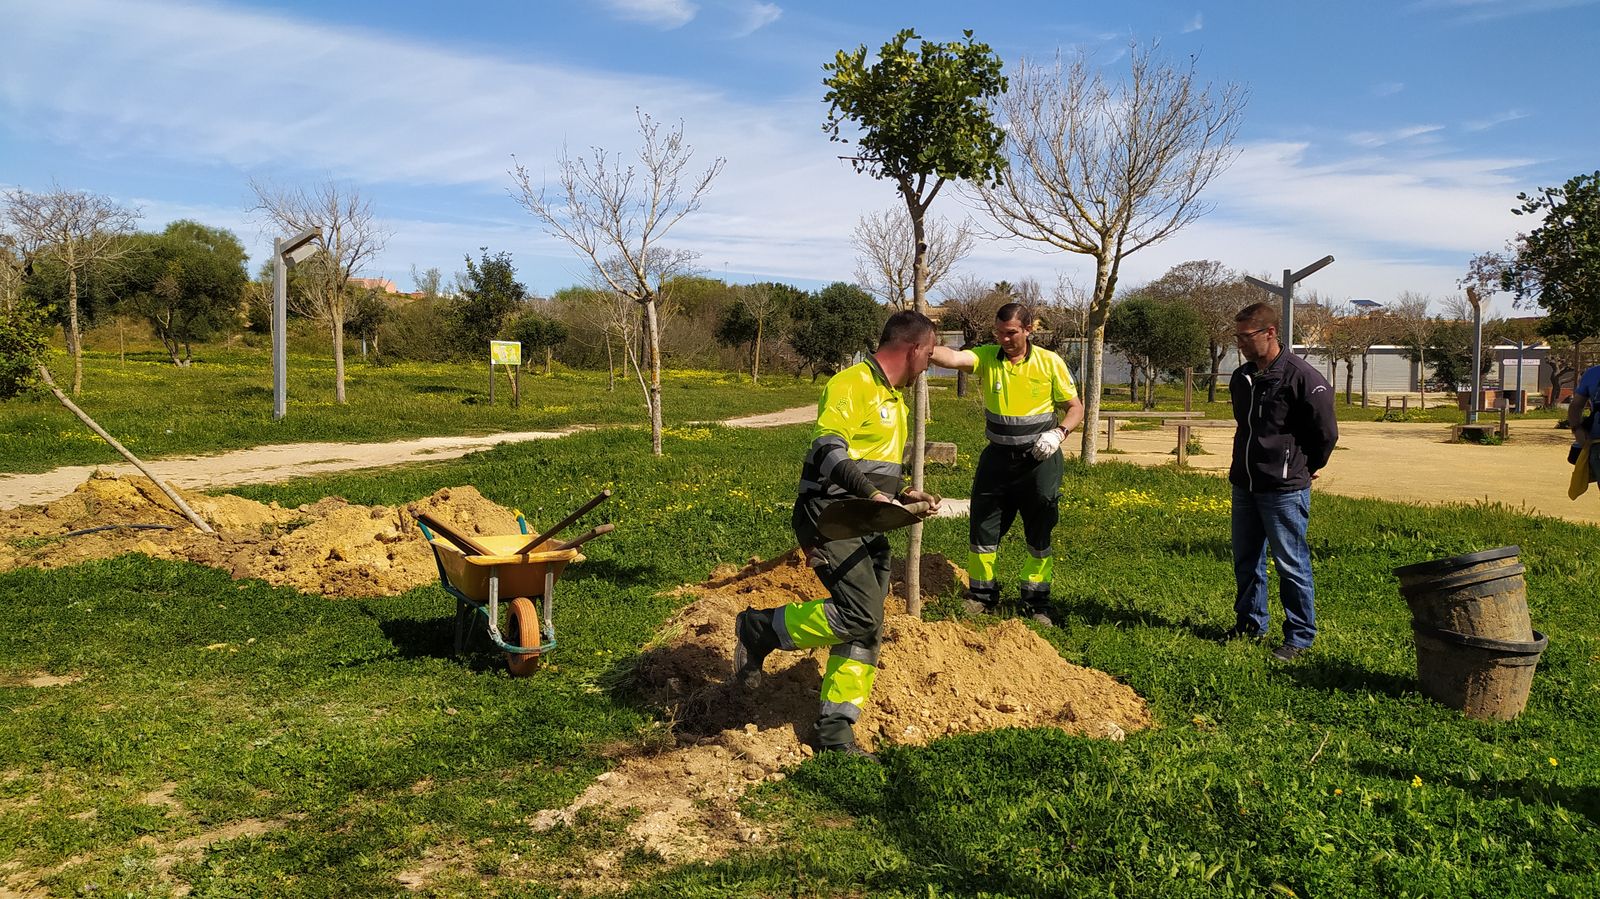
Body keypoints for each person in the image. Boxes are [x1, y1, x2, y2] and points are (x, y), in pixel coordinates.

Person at [731, 310, 941, 758]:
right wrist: (873, 495)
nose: (931, 363)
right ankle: (759, 629)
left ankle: (835, 734)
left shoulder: (894, 400)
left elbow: (872, 468)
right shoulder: (851, 384)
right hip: (830, 517)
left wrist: (902, 494)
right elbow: (828, 451)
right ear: (912, 349)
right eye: (929, 353)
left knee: (867, 624)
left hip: (866, 519)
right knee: (862, 615)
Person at [930, 304, 1084, 624]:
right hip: (997, 458)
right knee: (983, 525)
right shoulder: (988, 357)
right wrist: (921, 346)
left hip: (1039, 459)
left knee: (1039, 527)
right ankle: (982, 595)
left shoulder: (1049, 363)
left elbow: (1075, 408)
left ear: (1029, 330)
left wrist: (1059, 433)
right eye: (999, 333)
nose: (1004, 339)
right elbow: (955, 358)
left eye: (1011, 332)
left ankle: (1037, 600)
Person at [1227, 302, 1338, 661]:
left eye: (1246, 337)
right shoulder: (1241, 377)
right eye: (1238, 337)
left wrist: (1309, 465)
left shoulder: (1302, 376)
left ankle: (1300, 637)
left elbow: (1326, 432)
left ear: (1270, 333)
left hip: (1283, 489)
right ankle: (1250, 624)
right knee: (1246, 561)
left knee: (1291, 563)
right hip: (1245, 484)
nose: (1240, 345)